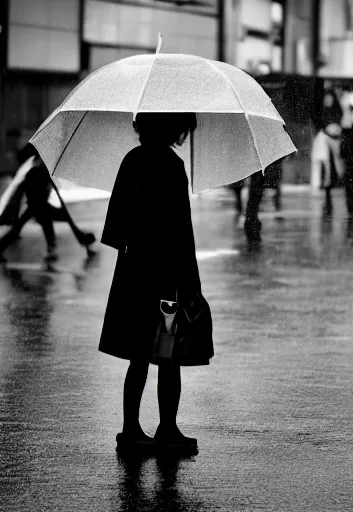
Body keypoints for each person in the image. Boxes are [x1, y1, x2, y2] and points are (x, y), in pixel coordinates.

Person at [98, 112, 207, 452]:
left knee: (138, 354)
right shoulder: (171, 166)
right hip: (167, 279)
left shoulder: (132, 160)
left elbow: (115, 228)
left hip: (135, 275)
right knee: (167, 354)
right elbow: (181, 233)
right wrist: (192, 284)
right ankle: (167, 428)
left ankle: (130, 428)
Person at [0, 144, 96, 262]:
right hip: (38, 205)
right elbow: (35, 188)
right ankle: (55, 247)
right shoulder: (39, 169)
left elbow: (36, 188)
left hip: (37, 205)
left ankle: (53, 248)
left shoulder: (37, 167)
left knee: (43, 224)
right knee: (45, 223)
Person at [311, 122, 343, 216]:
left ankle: (325, 193)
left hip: (322, 160)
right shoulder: (327, 138)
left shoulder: (320, 138)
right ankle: (327, 194)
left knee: (324, 179)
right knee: (327, 179)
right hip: (325, 160)